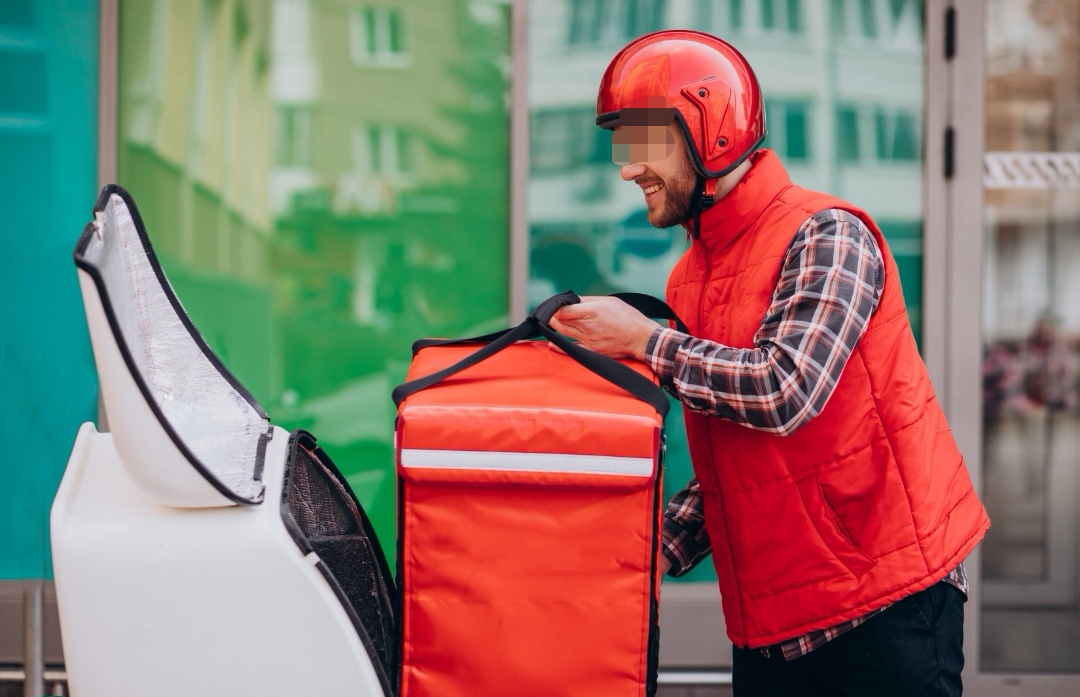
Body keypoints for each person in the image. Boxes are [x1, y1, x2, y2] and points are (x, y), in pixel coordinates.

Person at [549, 30, 990, 697]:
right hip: (773, 622)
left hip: (883, 604)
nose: (627, 167)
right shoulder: (690, 278)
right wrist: (639, 548)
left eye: (643, 141)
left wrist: (643, 341)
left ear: (710, 129)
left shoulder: (826, 233)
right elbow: (738, 450)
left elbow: (786, 388)